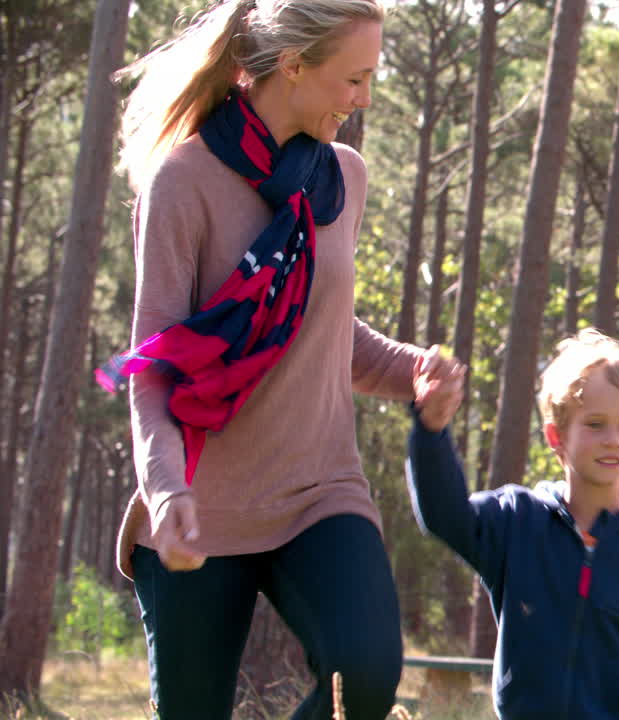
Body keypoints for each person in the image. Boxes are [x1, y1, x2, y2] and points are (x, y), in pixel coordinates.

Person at [103, 1, 424, 717]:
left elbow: (322, 328)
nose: (365, 98)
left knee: (365, 674)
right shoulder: (183, 181)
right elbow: (153, 364)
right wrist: (164, 489)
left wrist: (415, 370)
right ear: (294, 66)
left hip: (320, 490)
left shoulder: (341, 178)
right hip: (200, 506)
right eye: (355, 78)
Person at [405, 329, 619, 719]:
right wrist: (431, 431)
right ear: (556, 435)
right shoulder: (516, 521)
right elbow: (445, 516)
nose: (613, 439)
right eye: (595, 424)